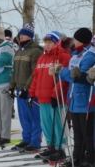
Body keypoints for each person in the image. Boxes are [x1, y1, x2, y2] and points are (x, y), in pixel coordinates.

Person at [49, 28, 95, 167]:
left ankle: (90, 158)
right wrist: (58, 72)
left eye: (75, 39)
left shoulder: (90, 55)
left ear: (80, 39)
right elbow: (71, 76)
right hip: (74, 99)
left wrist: (63, 71)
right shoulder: (75, 54)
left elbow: (78, 77)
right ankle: (77, 157)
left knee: (87, 132)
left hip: (86, 99)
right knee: (77, 131)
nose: (73, 41)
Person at [29, 31, 70, 160]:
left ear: (56, 43)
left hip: (56, 98)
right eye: (46, 42)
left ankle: (60, 148)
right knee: (46, 123)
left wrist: (55, 94)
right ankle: (51, 146)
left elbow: (63, 79)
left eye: (50, 42)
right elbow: (36, 77)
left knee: (57, 123)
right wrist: (32, 93)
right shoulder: (42, 58)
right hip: (42, 97)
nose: (47, 45)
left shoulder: (63, 56)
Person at [9, 20, 43, 152]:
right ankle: (26, 139)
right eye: (20, 34)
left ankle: (35, 142)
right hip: (20, 89)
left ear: (30, 36)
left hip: (30, 90)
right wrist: (12, 86)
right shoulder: (19, 51)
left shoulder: (36, 51)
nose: (20, 36)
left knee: (34, 117)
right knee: (24, 117)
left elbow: (35, 73)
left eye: (23, 35)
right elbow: (15, 71)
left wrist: (26, 88)